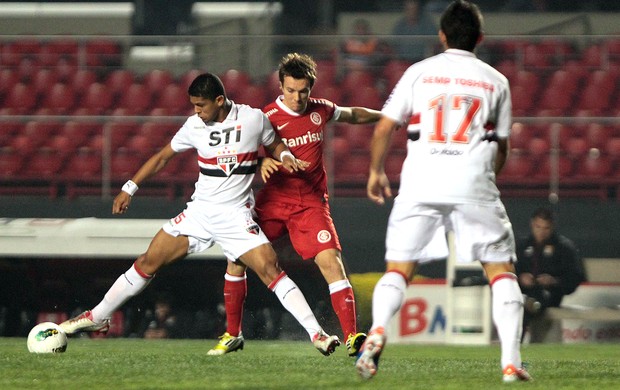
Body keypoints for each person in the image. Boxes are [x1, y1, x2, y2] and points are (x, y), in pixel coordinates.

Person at [59, 72, 341, 356]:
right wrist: (129, 188)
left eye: (200, 105)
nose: (196, 111)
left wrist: (285, 156)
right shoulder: (194, 126)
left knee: (270, 270)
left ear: (219, 100)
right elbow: (162, 157)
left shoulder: (253, 119)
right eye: (193, 105)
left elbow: (275, 143)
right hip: (199, 213)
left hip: (235, 217)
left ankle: (317, 334)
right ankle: (98, 317)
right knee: (148, 260)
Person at [355, 1, 532, 383]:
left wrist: (374, 172)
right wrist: (488, 179)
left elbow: (384, 127)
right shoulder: (496, 81)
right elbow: (501, 146)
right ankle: (511, 361)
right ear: (480, 39)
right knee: (501, 272)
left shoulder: (418, 72)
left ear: (441, 35)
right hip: (472, 182)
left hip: (421, 181)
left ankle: (379, 330)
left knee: (399, 270)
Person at [208, 53, 383, 357]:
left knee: (332, 263)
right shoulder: (264, 117)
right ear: (281, 86)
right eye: (291, 90)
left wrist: (387, 117)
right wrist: (262, 161)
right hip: (274, 201)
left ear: (311, 88)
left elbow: (353, 114)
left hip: (311, 204)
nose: (298, 97)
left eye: (303, 91)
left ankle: (353, 337)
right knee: (236, 257)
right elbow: (235, 155)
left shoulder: (321, 110)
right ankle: (232, 333)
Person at [515, 207, 586, 342]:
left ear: (552, 226)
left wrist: (554, 281)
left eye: (546, 228)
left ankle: (514, 345)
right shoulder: (522, 246)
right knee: (519, 302)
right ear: (532, 224)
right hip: (524, 293)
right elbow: (511, 269)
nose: (541, 232)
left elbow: (575, 277)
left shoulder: (564, 248)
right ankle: (528, 304)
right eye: (538, 227)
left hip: (550, 295)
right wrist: (521, 277)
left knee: (531, 302)